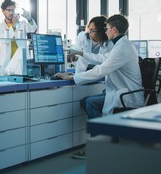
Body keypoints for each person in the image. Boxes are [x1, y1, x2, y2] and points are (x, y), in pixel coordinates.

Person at [56, 14, 144, 159]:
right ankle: (106, 138)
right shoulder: (121, 44)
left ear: (114, 30)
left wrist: (73, 77)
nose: (106, 31)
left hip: (126, 94)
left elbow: (102, 69)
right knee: (86, 101)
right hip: (119, 91)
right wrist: (81, 52)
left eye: (107, 28)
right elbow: (103, 58)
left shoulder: (121, 48)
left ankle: (98, 146)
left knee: (90, 102)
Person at [0, 0, 38, 74]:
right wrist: (14, 25)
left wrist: (29, 18)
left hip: (21, 61)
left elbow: (33, 28)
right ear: (3, 11)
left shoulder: (21, 24)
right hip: (7, 63)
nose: (11, 13)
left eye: (13, 10)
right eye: (8, 10)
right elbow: (5, 41)